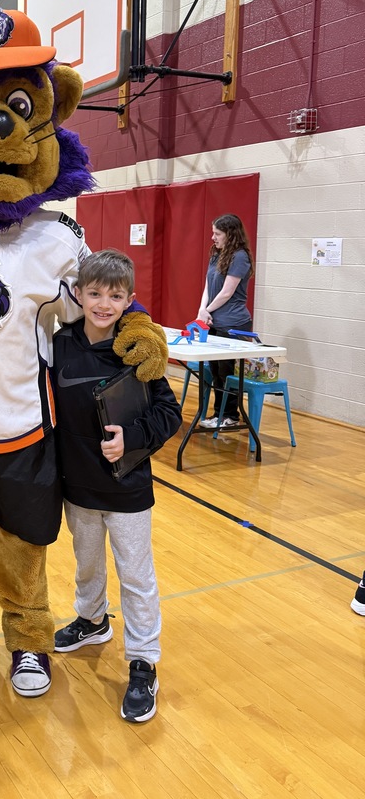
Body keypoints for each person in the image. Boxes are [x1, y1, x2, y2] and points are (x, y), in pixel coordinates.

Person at [52, 250, 182, 722]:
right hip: (78, 487)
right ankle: (91, 620)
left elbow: (170, 413)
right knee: (86, 565)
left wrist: (133, 438)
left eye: (115, 295)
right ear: (79, 294)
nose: (104, 303)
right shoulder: (59, 344)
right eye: (95, 293)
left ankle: (143, 660)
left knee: (136, 576)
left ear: (130, 300)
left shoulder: (136, 350)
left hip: (127, 489)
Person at [196, 213, 255, 428]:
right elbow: (208, 287)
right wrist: (202, 310)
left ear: (230, 235)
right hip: (213, 321)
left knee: (227, 372)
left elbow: (227, 292)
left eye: (217, 233)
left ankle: (230, 415)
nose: (213, 237)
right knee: (215, 372)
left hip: (233, 323)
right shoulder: (217, 254)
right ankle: (218, 413)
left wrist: (207, 310)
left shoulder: (240, 256)